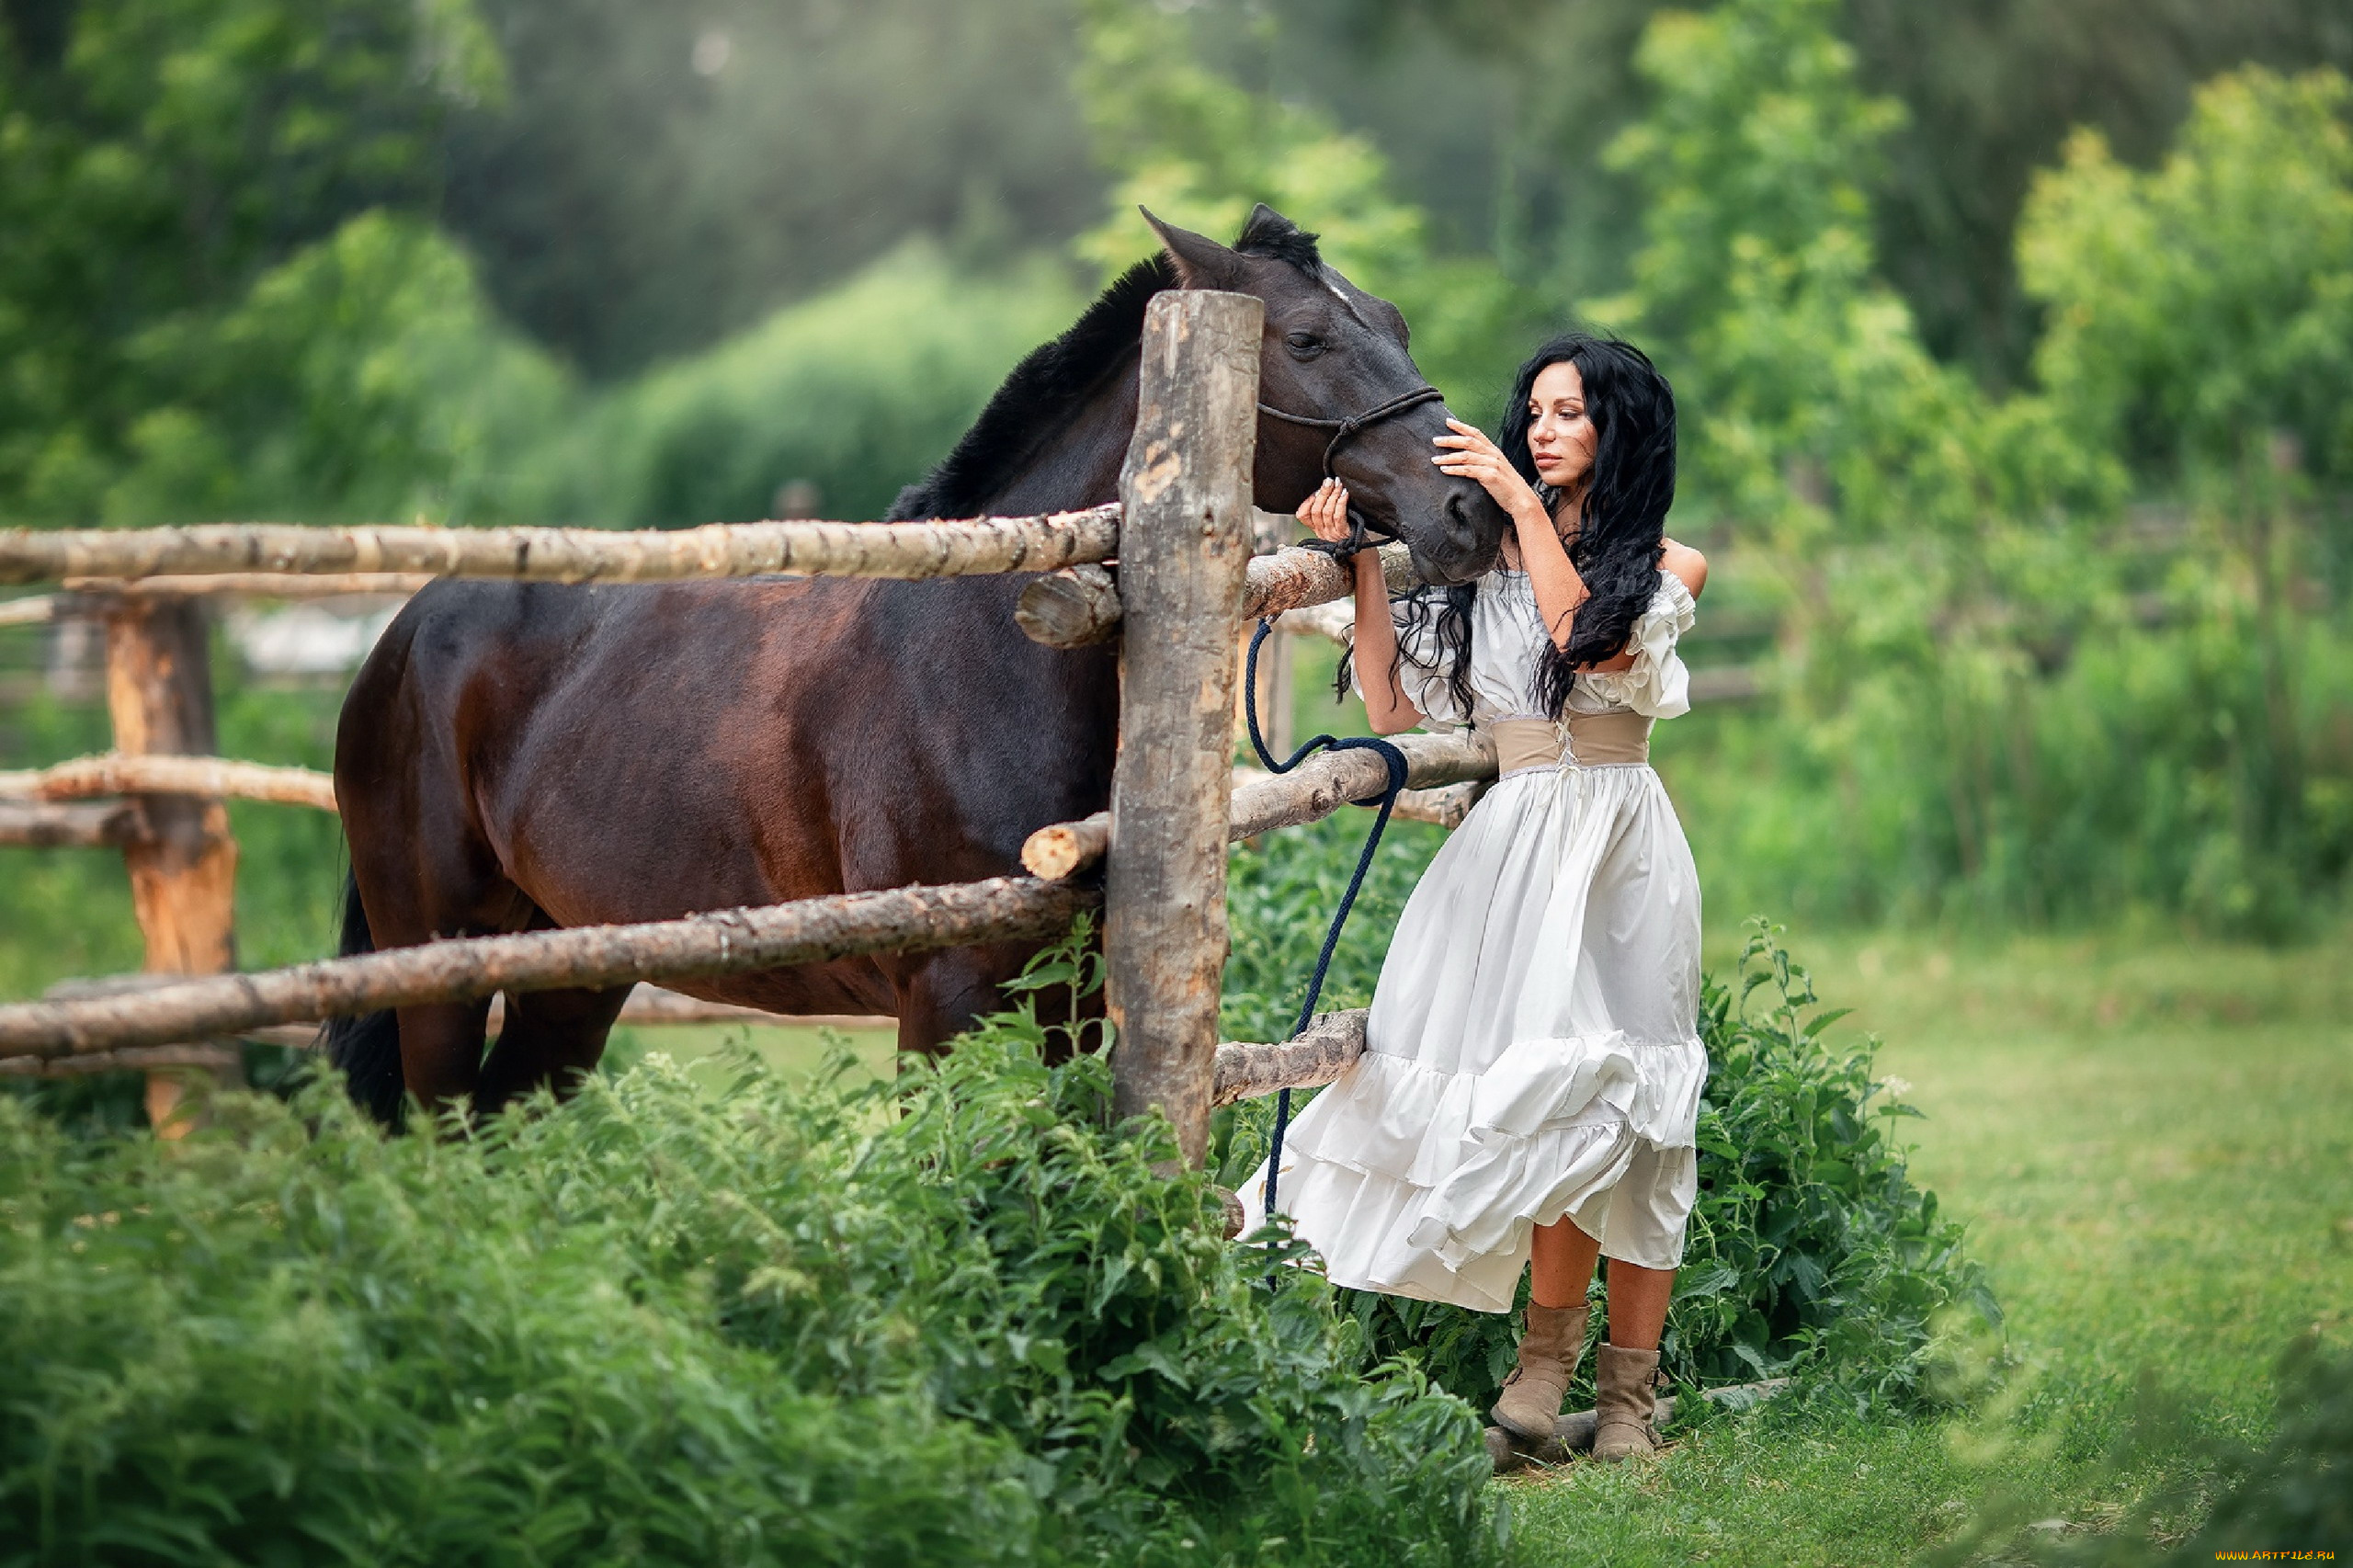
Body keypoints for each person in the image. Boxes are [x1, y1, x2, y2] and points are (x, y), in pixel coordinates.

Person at [1239, 334, 1708, 1460]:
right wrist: (1359, 556)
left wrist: (1518, 506)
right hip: (1511, 850)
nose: (1541, 433)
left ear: (1619, 432)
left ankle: (1629, 1402)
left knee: (1644, 1118)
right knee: (1542, 1101)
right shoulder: (1481, 564)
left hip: (1619, 845)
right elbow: (1394, 707)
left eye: (1570, 415)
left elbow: (1584, 647)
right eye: (1533, 414)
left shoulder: (1668, 566)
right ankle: (1539, 1381)